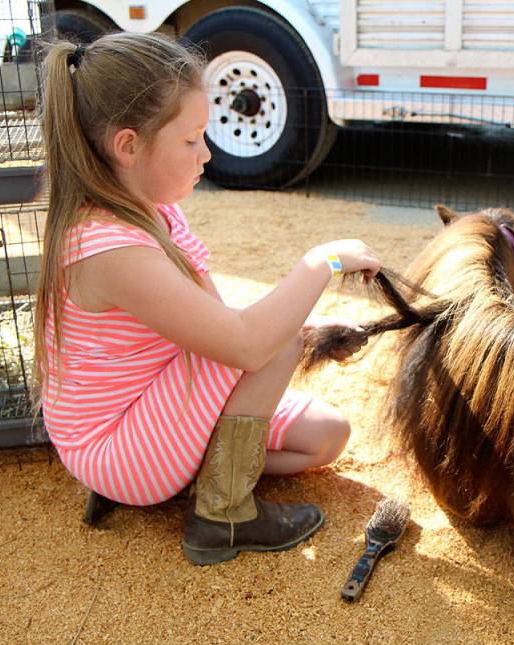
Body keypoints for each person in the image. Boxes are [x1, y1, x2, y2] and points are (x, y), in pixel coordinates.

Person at [33, 32, 380, 566]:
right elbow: (243, 344)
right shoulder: (107, 246)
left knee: (326, 438)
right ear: (128, 146)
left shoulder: (151, 209)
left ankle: (204, 469)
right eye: (192, 139)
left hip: (158, 400)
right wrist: (323, 262)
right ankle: (222, 514)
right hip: (116, 445)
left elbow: (222, 324)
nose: (207, 154)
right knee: (275, 338)